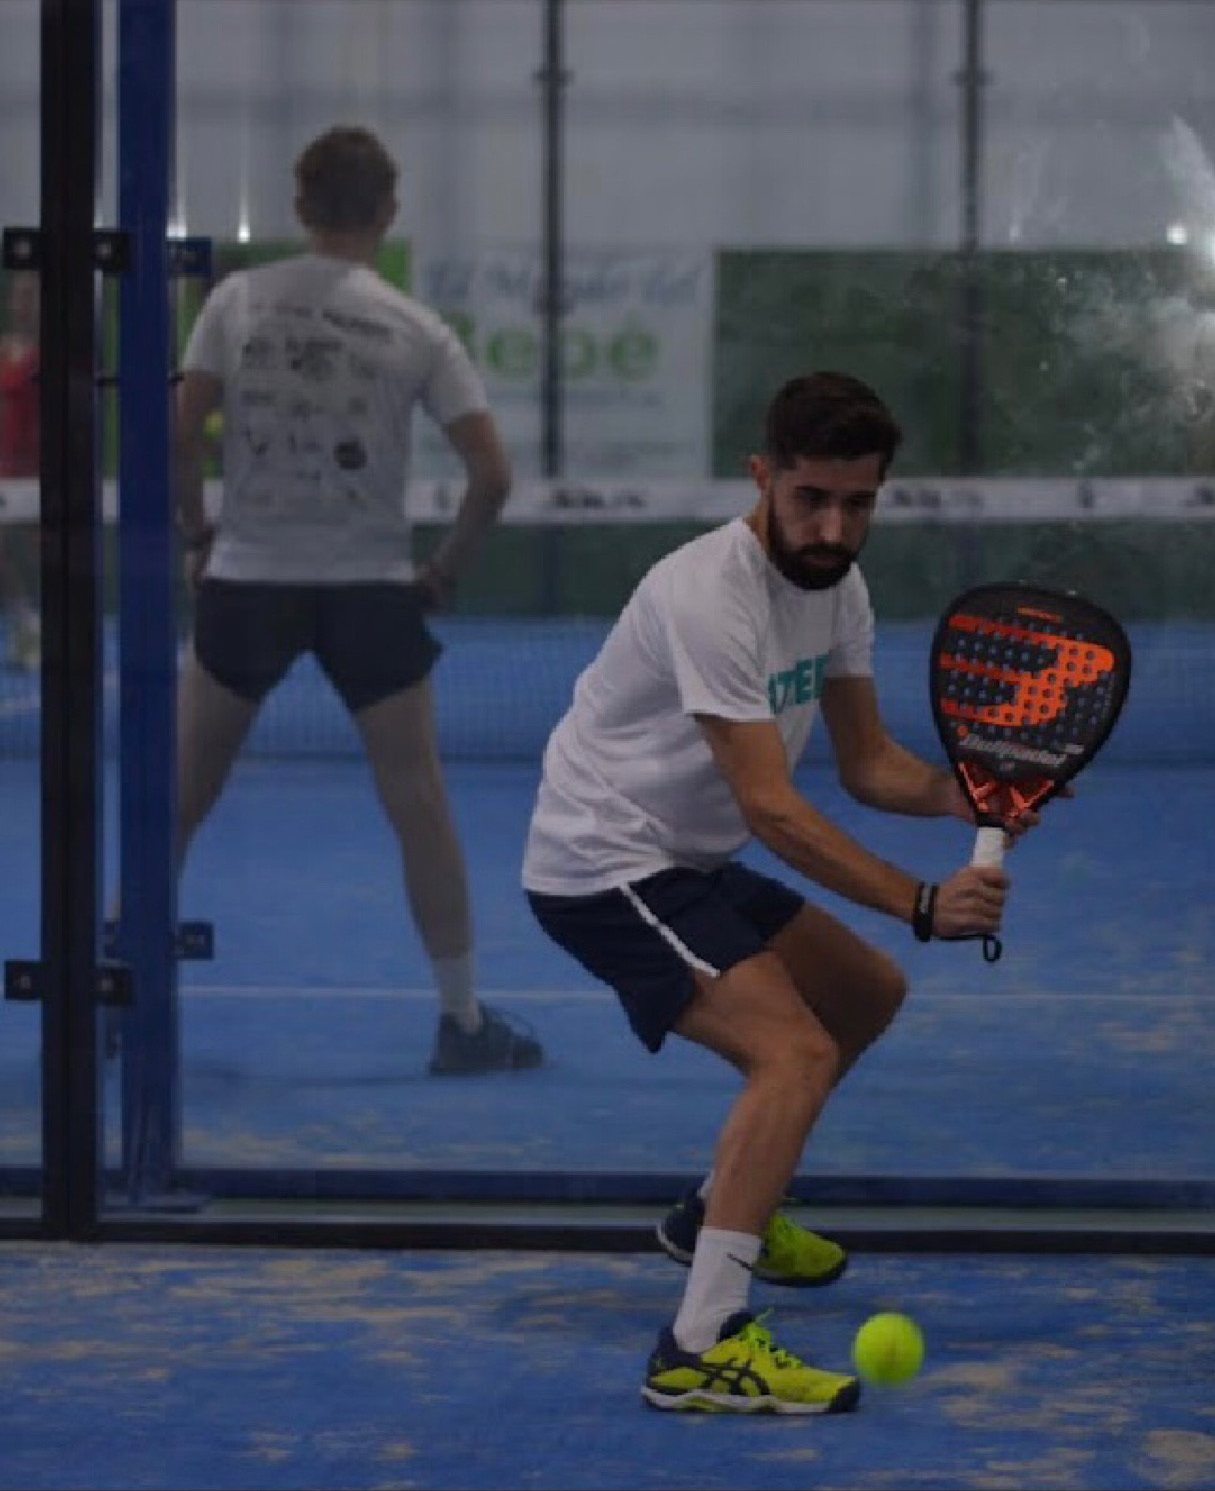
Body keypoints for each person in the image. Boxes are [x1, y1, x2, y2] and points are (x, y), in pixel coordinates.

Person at [523, 369, 1025, 1415]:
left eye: (858, 503)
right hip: (603, 859)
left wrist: (966, 794)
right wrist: (921, 902)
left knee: (864, 994)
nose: (834, 527)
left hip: (686, 855)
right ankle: (699, 1343)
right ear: (763, 477)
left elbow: (867, 763)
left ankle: (714, 1212)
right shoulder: (710, 594)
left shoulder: (839, 588)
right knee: (793, 1052)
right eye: (812, 498)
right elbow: (771, 807)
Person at [170, 124, 544, 1077]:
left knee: (174, 800)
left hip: (246, 583)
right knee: (419, 802)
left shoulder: (235, 301)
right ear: (388, 211)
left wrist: (198, 536)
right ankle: (463, 1023)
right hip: (369, 592)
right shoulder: (417, 329)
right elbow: (493, 475)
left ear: (300, 207)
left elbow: (179, 428)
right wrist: (444, 571)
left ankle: (117, 996)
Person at [0, 269, 41, 672]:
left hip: (42, 470)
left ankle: (38, 627)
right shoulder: (3, 350)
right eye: (19, 295)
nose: (23, 303)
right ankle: (27, 624)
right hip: (6, 469)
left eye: (31, 295)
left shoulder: (56, 352)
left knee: (35, 551)